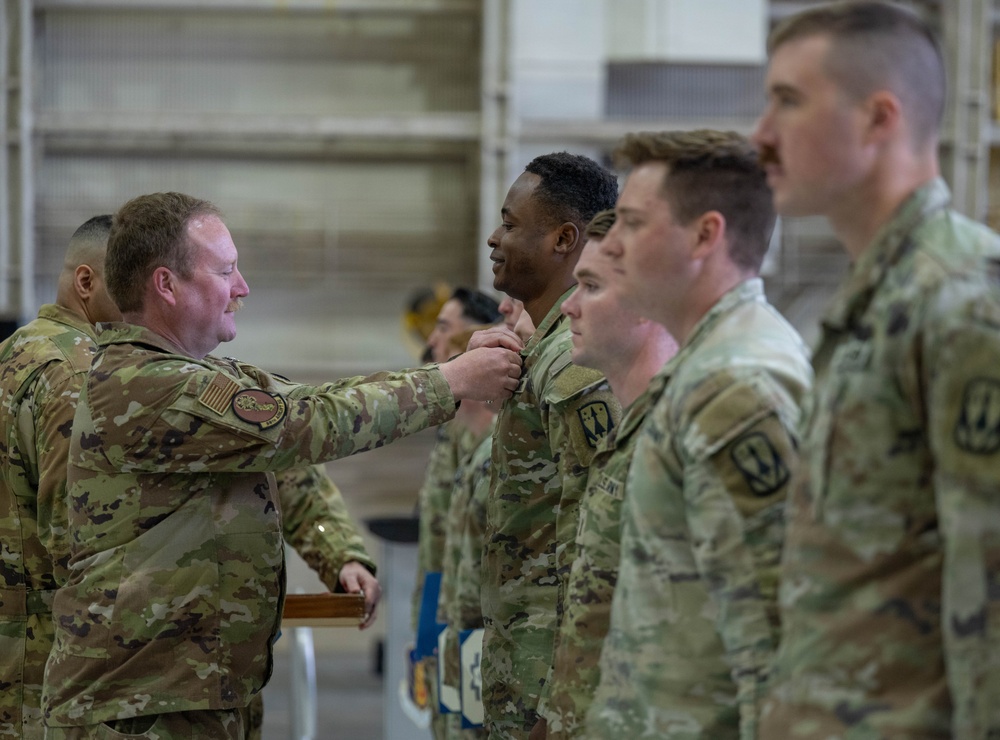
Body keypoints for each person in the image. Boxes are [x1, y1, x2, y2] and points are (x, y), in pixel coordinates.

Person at [40, 192, 520, 739]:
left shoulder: (201, 379)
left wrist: (336, 552)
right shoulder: (146, 387)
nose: (242, 287)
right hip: (140, 709)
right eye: (225, 271)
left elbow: (294, 447)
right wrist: (452, 380)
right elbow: (306, 422)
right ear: (166, 285)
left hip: (189, 695)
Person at [752, 3, 1000, 737]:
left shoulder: (960, 302)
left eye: (788, 102)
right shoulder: (874, 297)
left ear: (878, 118)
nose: (761, 136)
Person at [586, 130, 812, 739]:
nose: (612, 244)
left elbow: (771, 644)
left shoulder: (733, 387)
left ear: (705, 235)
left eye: (632, 222)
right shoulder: (706, 365)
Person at [477, 152, 622, 738]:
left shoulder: (572, 364)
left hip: (546, 678)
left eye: (511, 225)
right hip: (522, 656)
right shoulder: (543, 352)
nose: (494, 238)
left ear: (565, 238)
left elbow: (593, 538)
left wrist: (560, 703)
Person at [531, 209, 678, 740]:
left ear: (649, 303)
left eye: (590, 287)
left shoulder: (680, 437)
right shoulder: (627, 432)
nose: (568, 307)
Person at [0, 216, 121, 740]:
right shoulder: (80, 370)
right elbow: (75, 535)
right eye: (131, 283)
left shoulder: (15, 350)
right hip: (45, 654)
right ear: (86, 283)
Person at [412, 287, 502, 740]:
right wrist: (427, 634)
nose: (431, 344)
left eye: (444, 329)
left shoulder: (498, 451)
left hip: (477, 640)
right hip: (449, 624)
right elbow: (440, 549)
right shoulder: (458, 440)